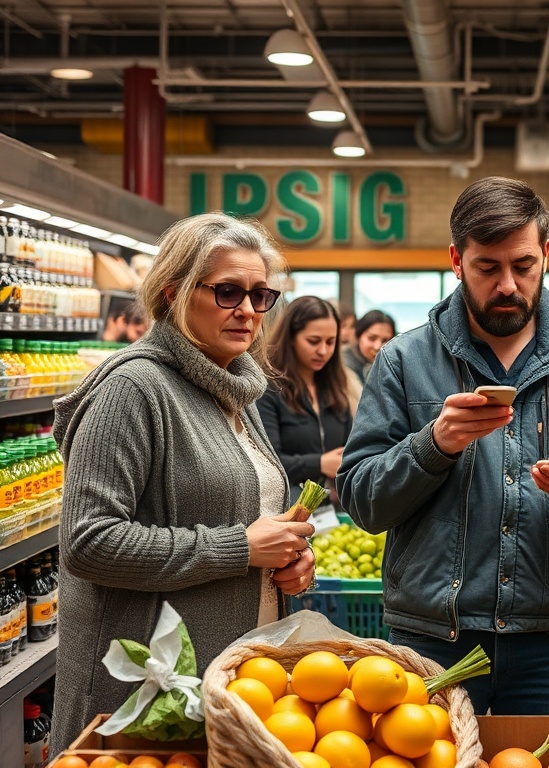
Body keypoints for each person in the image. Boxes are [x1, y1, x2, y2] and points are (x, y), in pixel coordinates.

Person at [338, 176, 549, 715]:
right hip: (431, 638)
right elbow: (363, 502)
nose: (507, 285)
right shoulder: (403, 362)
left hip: (548, 646)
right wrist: (433, 446)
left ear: (546, 254)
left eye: (523, 265)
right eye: (488, 268)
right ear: (456, 261)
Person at [50, 212, 316, 754]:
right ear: (174, 293)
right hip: (147, 692)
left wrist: (291, 560)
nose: (248, 310)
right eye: (228, 292)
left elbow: (248, 515)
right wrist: (239, 549)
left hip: (229, 677)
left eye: (260, 295)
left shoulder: (234, 388)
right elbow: (88, 541)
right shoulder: (133, 389)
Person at [257, 296, 361, 508]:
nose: (323, 351)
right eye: (313, 341)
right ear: (290, 337)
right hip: (284, 510)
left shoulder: (336, 386)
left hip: (333, 511)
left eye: (331, 342)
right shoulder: (268, 388)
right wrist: (320, 463)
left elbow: (350, 448)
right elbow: (266, 462)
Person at [343, 309, 396, 386]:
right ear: (358, 336)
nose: (377, 346)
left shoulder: (393, 365)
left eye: (385, 340)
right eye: (372, 338)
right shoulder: (345, 366)